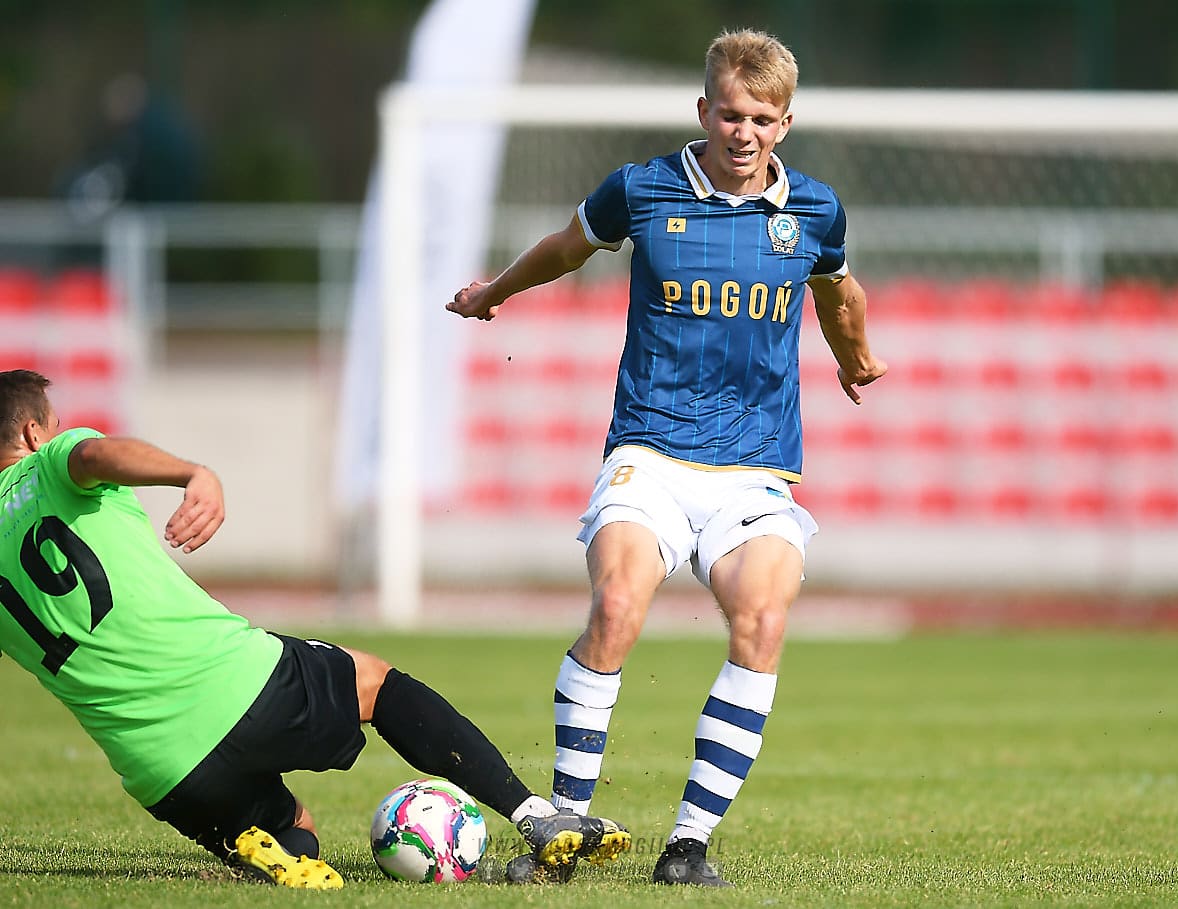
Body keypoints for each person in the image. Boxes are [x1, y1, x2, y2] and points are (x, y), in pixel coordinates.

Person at [448, 28, 886, 887]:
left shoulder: (814, 210)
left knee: (762, 621)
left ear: (785, 124)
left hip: (755, 470)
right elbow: (566, 247)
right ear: (704, 110)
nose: (743, 132)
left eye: (761, 118)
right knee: (616, 604)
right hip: (650, 453)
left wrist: (855, 356)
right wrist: (495, 291)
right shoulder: (642, 189)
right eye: (730, 113)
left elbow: (839, 291)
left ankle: (687, 846)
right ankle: (563, 830)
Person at [0, 369, 630, 889]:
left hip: (162, 771)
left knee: (295, 828)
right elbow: (93, 454)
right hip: (234, 683)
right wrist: (193, 474)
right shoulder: (51, 463)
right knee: (375, 684)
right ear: (32, 432)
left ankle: (268, 850)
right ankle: (536, 816)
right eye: (52, 426)